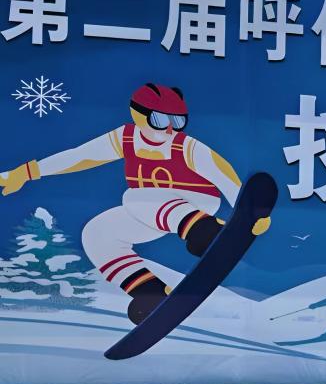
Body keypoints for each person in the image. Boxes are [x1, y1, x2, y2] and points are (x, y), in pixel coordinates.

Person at [0, 83, 265, 325]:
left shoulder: (186, 146)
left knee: (135, 196)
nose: (169, 129)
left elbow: (222, 173)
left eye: (177, 121)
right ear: (137, 115)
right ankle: (151, 293)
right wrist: (27, 172)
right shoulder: (125, 138)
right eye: (160, 120)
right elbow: (81, 156)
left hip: (195, 202)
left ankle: (205, 231)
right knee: (97, 232)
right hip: (152, 211)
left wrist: (249, 213)